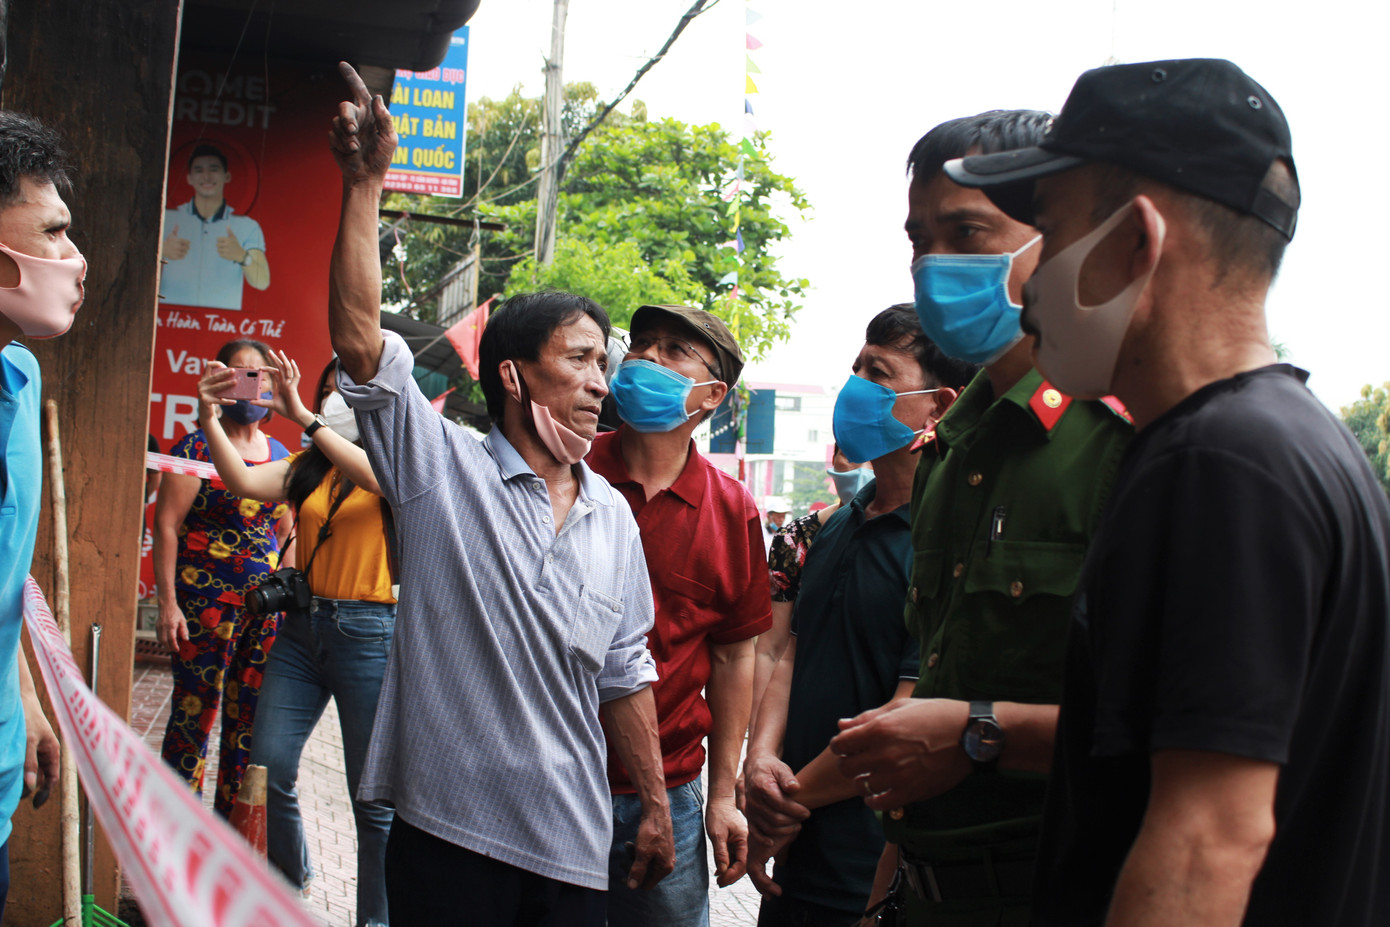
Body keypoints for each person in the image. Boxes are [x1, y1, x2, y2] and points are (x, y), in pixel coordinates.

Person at [946, 57, 1390, 926]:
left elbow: (1206, 842)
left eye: (1053, 232)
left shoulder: (1217, 463)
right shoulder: (1301, 444)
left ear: (1136, 244)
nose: (1028, 289)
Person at [325, 63, 673, 926]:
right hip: (448, 838)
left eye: (603, 364)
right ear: (513, 376)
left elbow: (625, 672)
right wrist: (365, 185)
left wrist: (657, 804)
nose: (601, 382)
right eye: (579, 359)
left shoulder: (613, 516)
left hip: (573, 846)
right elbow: (361, 342)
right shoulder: (440, 468)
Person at [828, 111, 1133, 926]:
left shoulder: (1123, 443)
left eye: (967, 233)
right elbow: (940, 684)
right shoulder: (950, 451)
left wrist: (979, 734)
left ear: (1059, 237)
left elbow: (1173, 731)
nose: (934, 265)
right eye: (919, 240)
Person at [744, 307, 975, 926]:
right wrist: (759, 761)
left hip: (869, 868)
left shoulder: (945, 540)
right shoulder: (836, 526)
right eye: (856, 369)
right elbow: (794, 652)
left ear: (938, 407)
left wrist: (785, 802)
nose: (855, 388)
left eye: (879, 373)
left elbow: (907, 711)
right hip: (796, 855)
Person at [196, 350, 396, 927]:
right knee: (267, 766)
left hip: (370, 635)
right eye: (331, 386)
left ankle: (374, 919)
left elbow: (373, 477)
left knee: (371, 800)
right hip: (302, 632)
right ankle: (290, 883)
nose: (338, 397)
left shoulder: (398, 460)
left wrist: (304, 418)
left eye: (350, 388)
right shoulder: (310, 465)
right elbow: (242, 479)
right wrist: (208, 416)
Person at [588, 304, 772, 926]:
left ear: (712, 394)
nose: (646, 357)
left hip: (669, 789)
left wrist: (722, 796)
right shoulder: (568, 467)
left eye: (673, 350)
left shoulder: (732, 510)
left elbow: (734, 656)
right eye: (642, 342)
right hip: (549, 773)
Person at [154, 337, 293, 817]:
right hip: (202, 607)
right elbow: (166, 526)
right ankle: (176, 838)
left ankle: (231, 836)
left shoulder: (281, 454)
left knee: (248, 725)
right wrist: (168, 604)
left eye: (259, 375)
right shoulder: (195, 447)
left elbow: (285, 532)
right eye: (238, 374)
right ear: (219, 378)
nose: (249, 386)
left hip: (263, 614)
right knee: (192, 718)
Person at [0, 110, 76, 921]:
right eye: (52, 232)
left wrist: (23, 698)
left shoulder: (21, 381)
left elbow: (6, 575)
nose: (73, 257)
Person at [160, 143, 269, 310]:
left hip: (220, 319)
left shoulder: (246, 226)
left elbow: (262, 282)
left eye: (214, 169)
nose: (206, 177)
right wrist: (161, 251)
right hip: (171, 317)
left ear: (227, 176)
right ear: (189, 178)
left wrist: (241, 256)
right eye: (199, 170)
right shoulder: (167, 218)